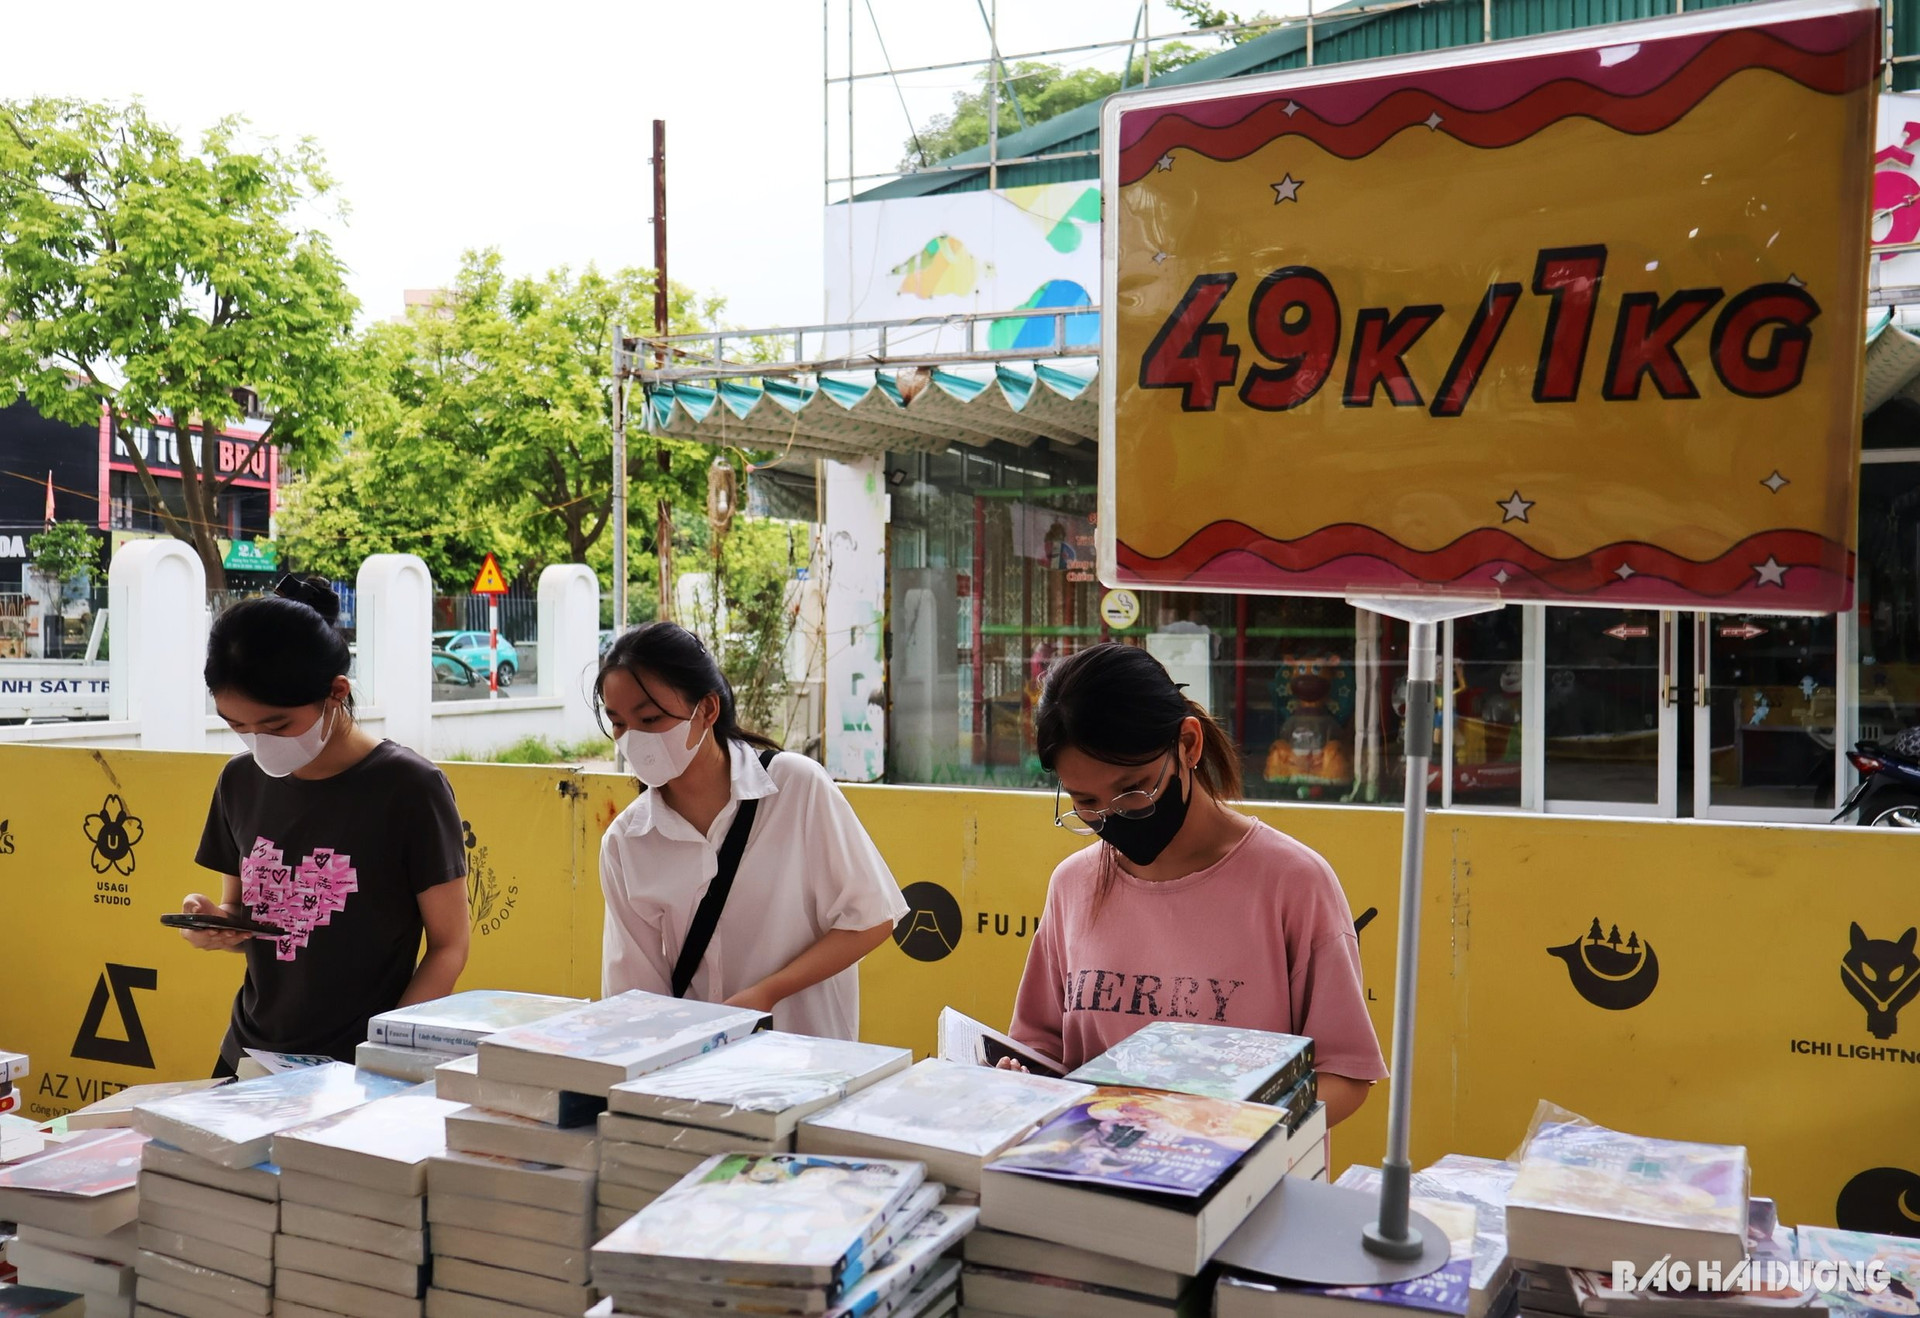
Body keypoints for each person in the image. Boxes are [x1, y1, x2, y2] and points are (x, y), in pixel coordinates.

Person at [1007, 642, 1385, 1127]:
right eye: (1086, 801)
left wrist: (1229, 1132)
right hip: (1098, 1181)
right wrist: (1019, 1074)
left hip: (1242, 1189)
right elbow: (1040, 1046)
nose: (1113, 817)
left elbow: (1344, 1075)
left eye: (1133, 790)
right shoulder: (1072, 886)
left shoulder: (1292, 884)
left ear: (1187, 745)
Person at [179, 575, 470, 1075]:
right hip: (250, 1056)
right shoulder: (238, 781)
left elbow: (449, 945)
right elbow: (242, 911)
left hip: (355, 1067)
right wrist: (217, 925)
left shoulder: (409, 788)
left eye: (276, 726)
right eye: (237, 726)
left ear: (336, 692)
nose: (258, 743)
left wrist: (384, 1055)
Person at [597, 622, 906, 1039]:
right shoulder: (625, 843)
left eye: (649, 718)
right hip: (699, 1075)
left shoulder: (795, 787)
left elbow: (872, 918)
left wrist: (767, 993)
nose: (633, 740)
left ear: (706, 710)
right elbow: (636, 997)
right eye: (618, 724)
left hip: (810, 1061)